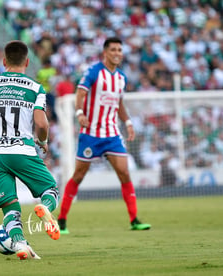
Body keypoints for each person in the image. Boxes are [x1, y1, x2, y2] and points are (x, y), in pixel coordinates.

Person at [0, 40, 60, 260]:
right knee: (51, 191)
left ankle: (19, 244)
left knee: (10, 208)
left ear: (4, 61)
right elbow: (42, 124)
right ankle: (45, 207)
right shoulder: (36, 88)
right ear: (27, 62)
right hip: (22, 150)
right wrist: (43, 141)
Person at [57, 37, 151, 234]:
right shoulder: (93, 72)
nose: (117, 53)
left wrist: (128, 123)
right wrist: (80, 114)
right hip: (91, 133)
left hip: (112, 134)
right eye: (114, 50)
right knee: (79, 175)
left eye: (120, 50)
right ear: (105, 52)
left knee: (124, 173)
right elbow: (80, 94)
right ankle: (62, 220)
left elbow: (119, 104)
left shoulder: (121, 78)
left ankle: (134, 219)